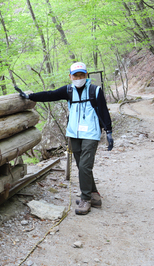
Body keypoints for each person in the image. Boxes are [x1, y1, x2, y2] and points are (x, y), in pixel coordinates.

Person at [15, 62, 113, 215]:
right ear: (70, 76)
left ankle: (85, 198)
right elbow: (49, 94)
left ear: (86, 75)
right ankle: (94, 195)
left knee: (85, 166)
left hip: (91, 134)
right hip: (74, 133)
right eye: (76, 75)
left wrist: (109, 131)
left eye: (82, 75)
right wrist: (30, 96)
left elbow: (104, 111)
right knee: (82, 166)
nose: (79, 78)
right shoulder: (68, 90)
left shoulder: (95, 90)